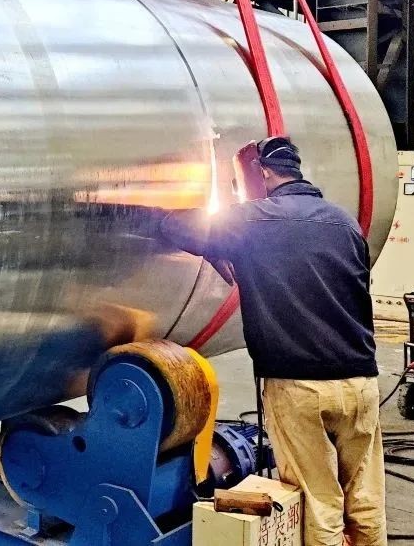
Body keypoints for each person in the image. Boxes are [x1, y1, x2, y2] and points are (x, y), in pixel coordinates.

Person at [158, 137, 386, 546]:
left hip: (299, 387)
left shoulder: (253, 220)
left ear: (262, 173)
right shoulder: (344, 222)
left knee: (319, 504)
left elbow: (174, 225)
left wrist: (220, 246)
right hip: (360, 383)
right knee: (366, 500)